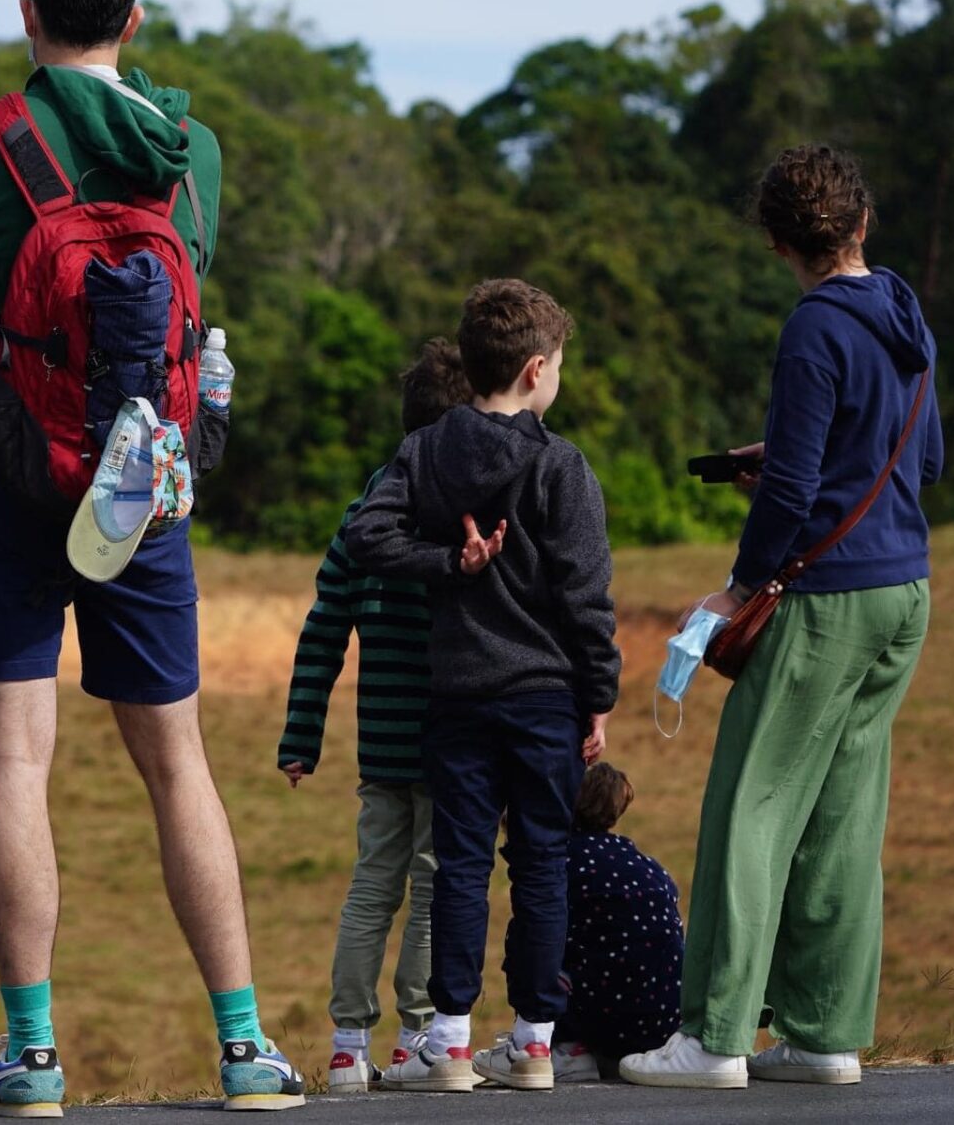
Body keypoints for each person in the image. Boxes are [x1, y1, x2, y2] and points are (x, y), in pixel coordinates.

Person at [0, 0, 305, 1116]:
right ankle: (243, 1052)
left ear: (26, 14)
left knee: (17, 755)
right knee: (176, 762)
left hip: (2, 460)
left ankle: (31, 1058)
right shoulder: (192, 147)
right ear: (134, 17)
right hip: (142, 477)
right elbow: (178, 297)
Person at [622, 145, 941, 1091]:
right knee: (845, 814)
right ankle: (825, 1035)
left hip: (830, 596)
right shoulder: (906, 313)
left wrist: (740, 581)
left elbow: (797, 481)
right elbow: (922, 464)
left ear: (775, 242)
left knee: (749, 806)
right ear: (861, 224)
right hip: (905, 591)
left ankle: (715, 1038)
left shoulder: (814, 328)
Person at [347, 279, 620, 1094]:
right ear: (536, 369)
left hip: (457, 697)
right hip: (546, 699)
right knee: (540, 865)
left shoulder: (425, 451)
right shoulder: (561, 465)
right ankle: (536, 1041)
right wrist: (597, 694)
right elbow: (586, 596)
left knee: (460, 866)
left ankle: (451, 1044)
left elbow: (366, 531)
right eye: (560, 366)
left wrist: (445, 564)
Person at [275, 339, 472, 1093]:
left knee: (370, 889)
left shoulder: (363, 514)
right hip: (451, 739)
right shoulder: (462, 518)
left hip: (380, 745)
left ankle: (347, 1045)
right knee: (432, 887)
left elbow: (323, 631)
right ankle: (415, 1038)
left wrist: (301, 737)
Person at [553, 762, 682, 1082]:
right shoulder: (649, 865)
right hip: (665, 1022)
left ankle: (568, 1048)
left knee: (538, 935)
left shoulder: (561, 864)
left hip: (607, 1020)